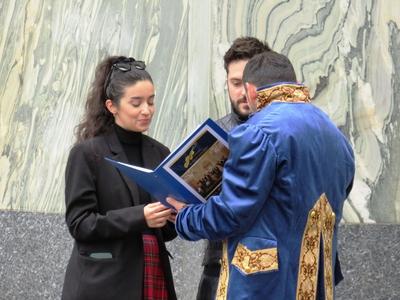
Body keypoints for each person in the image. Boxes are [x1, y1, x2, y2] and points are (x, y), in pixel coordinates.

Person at [168, 51, 355, 299]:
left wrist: (184, 218)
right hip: (317, 285)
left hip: (265, 286)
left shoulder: (257, 132)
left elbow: (231, 213)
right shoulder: (337, 136)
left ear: (251, 91)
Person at [62, 56, 177, 300]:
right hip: (104, 283)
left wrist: (176, 215)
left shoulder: (160, 152)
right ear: (112, 106)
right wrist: (141, 216)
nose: (146, 110)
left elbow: (166, 232)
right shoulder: (87, 154)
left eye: (151, 101)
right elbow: (80, 224)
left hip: (153, 268)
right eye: (136, 103)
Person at [198, 36, 271, 300]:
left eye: (248, 83)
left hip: (270, 268)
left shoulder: (284, 131)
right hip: (218, 265)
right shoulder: (214, 134)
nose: (242, 92)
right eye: (235, 83)